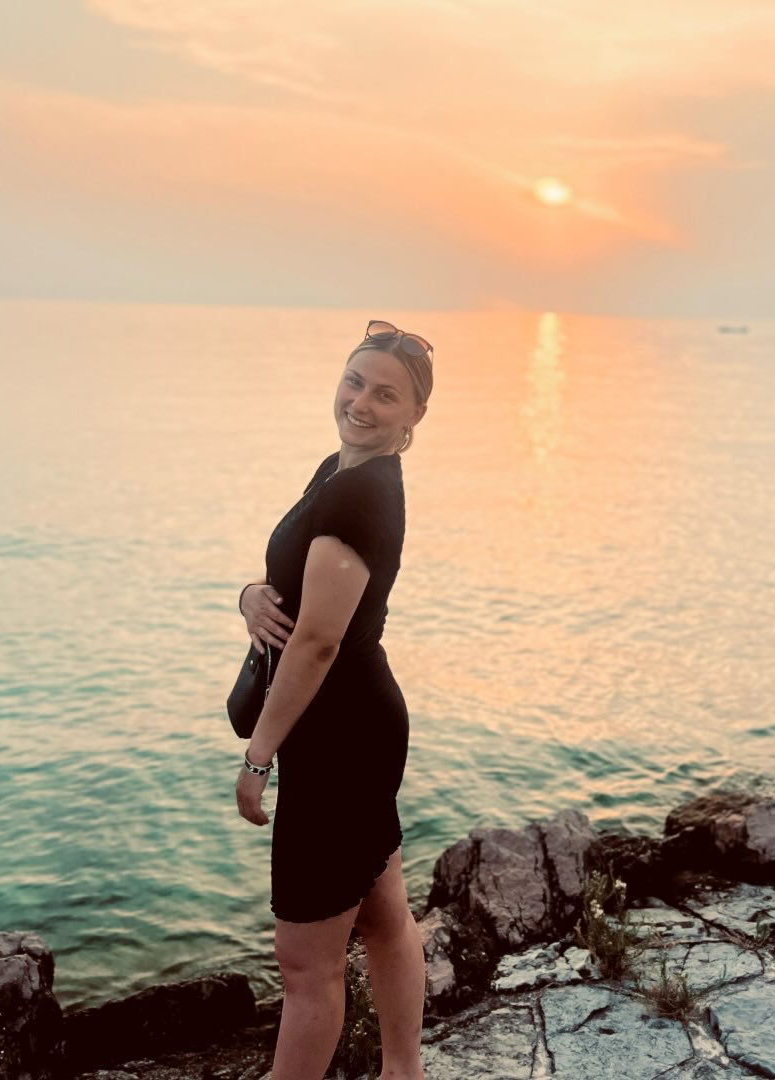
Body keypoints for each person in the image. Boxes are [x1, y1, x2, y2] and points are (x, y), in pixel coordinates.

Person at [234, 319, 433, 1080]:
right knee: (383, 915)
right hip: (357, 725)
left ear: (414, 415)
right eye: (355, 382)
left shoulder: (358, 495)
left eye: (386, 395)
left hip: (339, 741)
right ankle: (403, 1072)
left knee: (304, 965)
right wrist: (248, 595)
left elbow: (317, 641)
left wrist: (258, 758)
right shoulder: (341, 471)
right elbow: (294, 586)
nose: (361, 403)